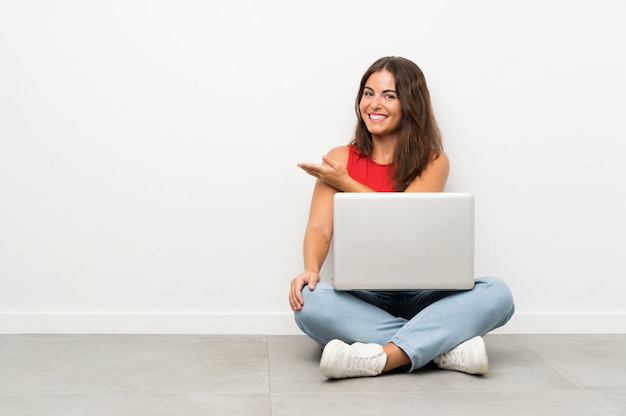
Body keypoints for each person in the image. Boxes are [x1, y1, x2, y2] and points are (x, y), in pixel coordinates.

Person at [288, 56, 515, 379]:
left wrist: (345, 184)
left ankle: (381, 356)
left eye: (388, 95)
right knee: (308, 301)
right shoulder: (340, 159)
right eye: (368, 93)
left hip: (423, 294)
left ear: (411, 103)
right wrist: (311, 269)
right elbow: (319, 229)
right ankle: (442, 349)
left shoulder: (433, 161)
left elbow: (400, 223)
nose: (374, 104)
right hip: (363, 296)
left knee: (498, 293)